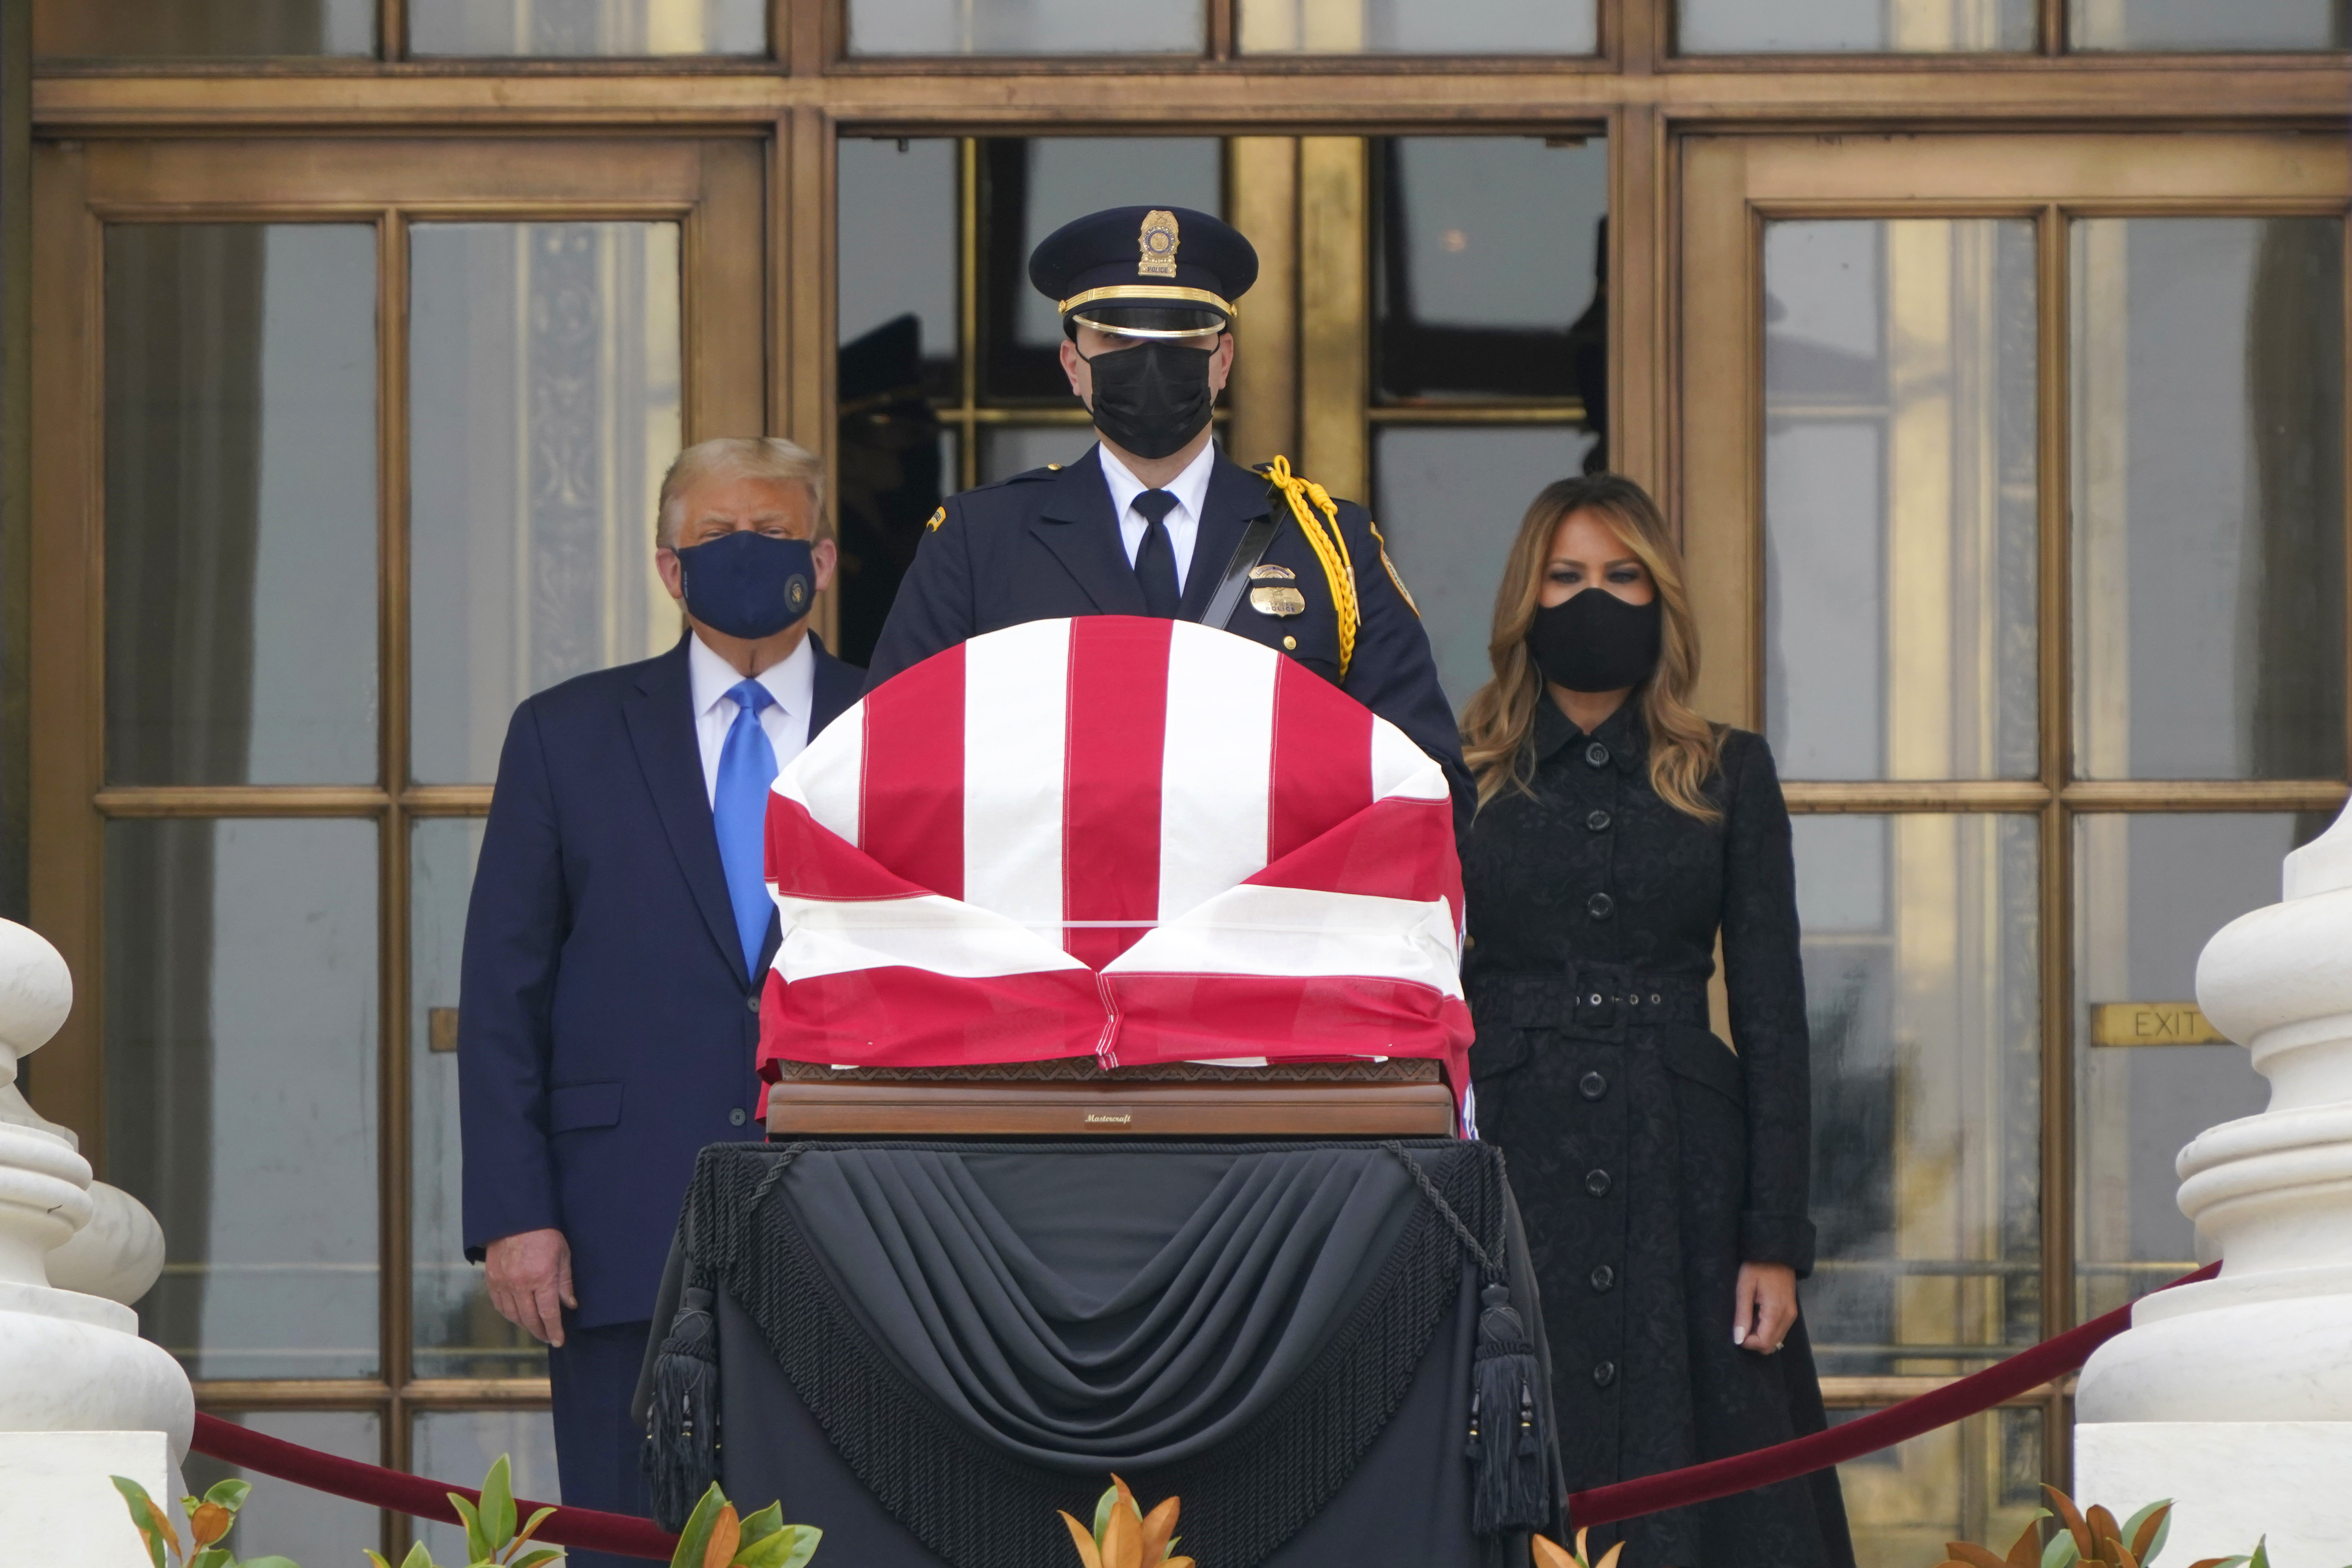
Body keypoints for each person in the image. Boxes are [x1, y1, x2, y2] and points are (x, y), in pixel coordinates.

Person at [458, 437, 864, 1566]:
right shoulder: (566, 733)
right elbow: (504, 987)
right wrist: (512, 1211)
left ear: (824, 559)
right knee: (629, 1540)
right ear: (667, 569)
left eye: (777, 537)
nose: (751, 558)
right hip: (614, 1226)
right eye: (718, 539)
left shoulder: (899, 726)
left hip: (859, 1225)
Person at [1458, 475, 1853, 1568]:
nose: (1597, 597)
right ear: (1524, 600)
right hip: (1509, 1154)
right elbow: (1421, 992)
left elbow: (1771, 1010)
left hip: (1686, 1172)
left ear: (1661, 597)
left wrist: (1773, 1237)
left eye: (1623, 575)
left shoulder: (1728, 771)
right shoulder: (1461, 775)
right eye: (1569, 576)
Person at [865, 204, 1470, 826]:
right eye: (1118, 337)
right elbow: (885, 769)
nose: (1151, 359)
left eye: (1181, 336)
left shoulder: (1328, 545)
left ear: (1224, 358)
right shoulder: (978, 542)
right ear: (1073, 365)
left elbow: (1426, 781)